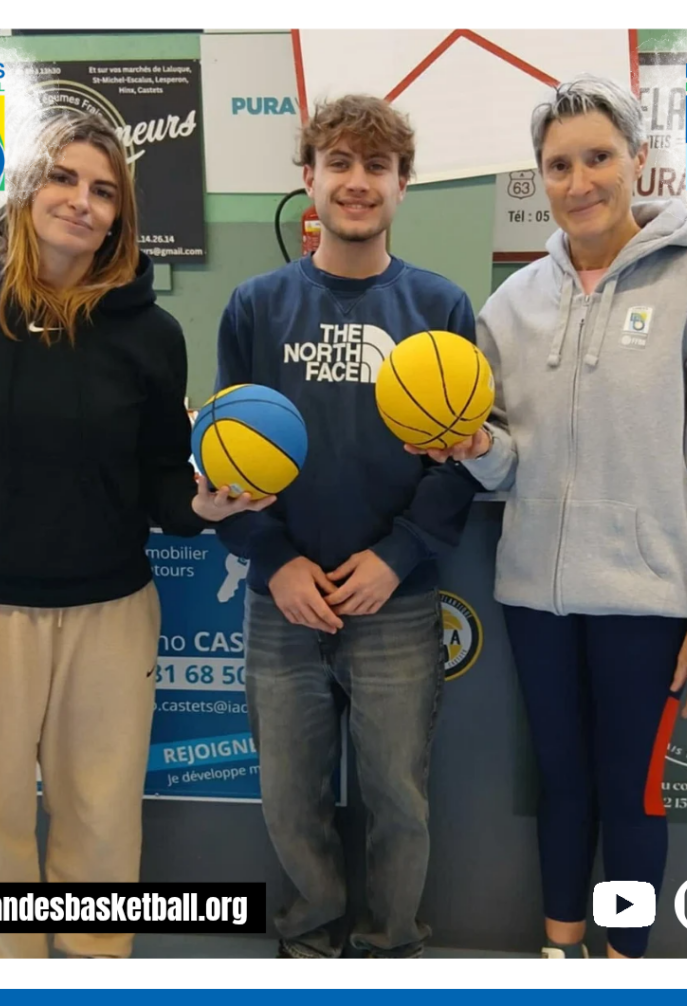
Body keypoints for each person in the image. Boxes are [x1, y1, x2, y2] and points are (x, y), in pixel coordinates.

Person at [0, 109, 269, 959]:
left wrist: (206, 508)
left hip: (108, 612)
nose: (81, 202)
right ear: (27, 188)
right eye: (63, 178)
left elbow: (160, 478)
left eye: (104, 190)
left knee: (101, 822)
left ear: (120, 215)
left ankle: (94, 970)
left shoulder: (151, 333)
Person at [420, 76, 687, 959]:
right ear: (540, 177)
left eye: (598, 158)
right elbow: (508, 461)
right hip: (535, 596)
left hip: (649, 602)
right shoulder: (512, 304)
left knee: (631, 792)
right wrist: (475, 446)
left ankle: (622, 966)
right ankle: (561, 953)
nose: (579, 182)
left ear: (637, 161)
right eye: (558, 165)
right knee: (562, 784)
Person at [215, 94, 482, 959]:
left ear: (404, 185)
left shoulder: (441, 306)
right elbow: (225, 461)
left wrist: (396, 557)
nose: (357, 182)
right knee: (289, 796)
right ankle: (311, 934)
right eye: (339, 163)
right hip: (282, 600)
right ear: (309, 178)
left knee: (398, 797)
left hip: (394, 601)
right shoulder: (255, 308)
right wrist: (275, 562)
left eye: (377, 166)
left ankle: (389, 946)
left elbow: (459, 463)